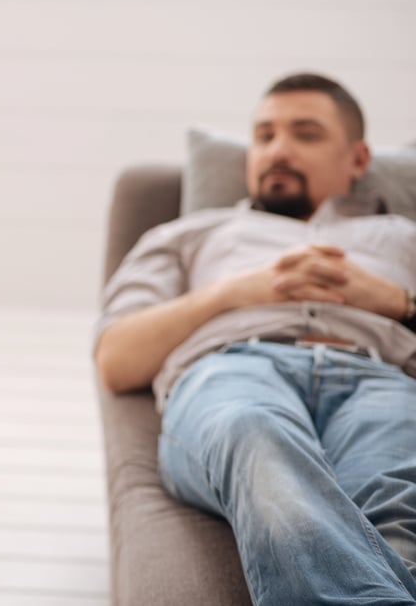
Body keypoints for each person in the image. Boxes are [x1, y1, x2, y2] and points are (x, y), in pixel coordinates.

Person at [95, 72, 416, 605]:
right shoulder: (190, 235)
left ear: (358, 159)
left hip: (381, 379)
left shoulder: (404, 239)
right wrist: (228, 294)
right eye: (264, 136)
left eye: (306, 134)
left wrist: (395, 301)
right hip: (235, 371)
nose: (278, 150)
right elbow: (116, 358)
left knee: (398, 512)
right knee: (257, 440)